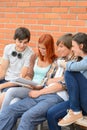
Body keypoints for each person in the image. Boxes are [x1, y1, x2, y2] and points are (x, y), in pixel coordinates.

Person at [0, 33, 74, 130]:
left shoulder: (75, 64)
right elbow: (46, 80)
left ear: (71, 48)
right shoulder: (58, 61)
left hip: (57, 97)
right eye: (58, 47)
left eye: (61, 47)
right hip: (42, 92)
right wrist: (38, 87)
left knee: (27, 117)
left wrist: (40, 91)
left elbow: (61, 85)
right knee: (9, 110)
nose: (58, 49)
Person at [1, 33, 57, 111]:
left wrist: (37, 86)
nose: (41, 51)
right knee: (14, 101)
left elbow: (48, 80)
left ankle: (1, 118)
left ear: (50, 48)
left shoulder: (55, 61)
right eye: (39, 47)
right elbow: (29, 74)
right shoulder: (35, 57)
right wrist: (27, 81)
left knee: (11, 91)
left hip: (40, 89)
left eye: (44, 48)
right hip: (29, 87)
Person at [47, 32, 87, 130]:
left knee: (69, 72)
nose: (72, 49)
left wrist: (62, 63)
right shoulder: (79, 59)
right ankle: (75, 110)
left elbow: (70, 67)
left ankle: (75, 111)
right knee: (51, 113)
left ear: (81, 46)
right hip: (78, 102)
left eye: (73, 46)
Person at [0, 27, 33, 107]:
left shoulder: (30, 52)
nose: (22, 45)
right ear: (15, 39)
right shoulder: (8, 48)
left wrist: (1, 86)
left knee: (2, 99)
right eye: (20, 41)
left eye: (25, 42)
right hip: (6, 79)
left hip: (15, 83)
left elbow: (20, 78)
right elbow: (3, 70)